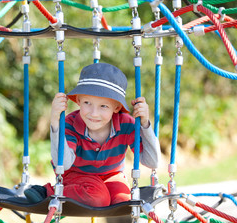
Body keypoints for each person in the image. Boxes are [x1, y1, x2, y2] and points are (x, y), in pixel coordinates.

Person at [24, 63, 161, 207]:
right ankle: (48, 192)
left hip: (112, 175)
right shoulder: (70, 124)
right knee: (97, 198)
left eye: (104, 106)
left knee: (123, 202)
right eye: (87, 103)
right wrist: (55, 122)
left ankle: (103, 194)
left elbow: (152, 162)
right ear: (78, 101)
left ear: (117, 107)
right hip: (77, 175)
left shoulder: (126, 124)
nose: (94, 113)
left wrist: (145, 124)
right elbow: (63, 164)